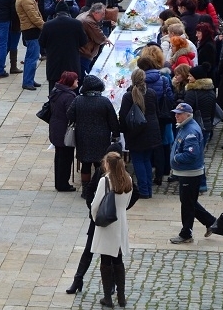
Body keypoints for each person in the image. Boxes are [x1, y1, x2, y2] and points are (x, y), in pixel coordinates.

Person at [90, 151, 133, 308]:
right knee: (118, 259)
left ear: (108, 164)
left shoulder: (105, 181)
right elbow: (127, 202)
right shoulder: (127, 179)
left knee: (105, 260)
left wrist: (96, 219)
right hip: (121, 221)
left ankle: (108, 297)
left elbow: (95, 205)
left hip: (108, 223)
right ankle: (121, 297)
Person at [168, 102, 216, 244]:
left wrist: (175, 158)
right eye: (175, 113)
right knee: (189, 202)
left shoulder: (190, 132)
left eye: (179, 113)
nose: (176, 115)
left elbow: (191, 154)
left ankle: (186, 233)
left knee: (187, 204)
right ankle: (211, 222)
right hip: (187, 173)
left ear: (187, 115)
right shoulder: (186, 127)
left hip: (190, 173)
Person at [67, 75, 119, 189]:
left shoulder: (78, 100)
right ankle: (98, 187)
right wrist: (116, 134)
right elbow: (113, 120)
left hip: (83, 136)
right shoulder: (104, 101)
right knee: (100, 164)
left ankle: (86, 189)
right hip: (101, 136)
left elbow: (70, 115)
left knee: (85, 163)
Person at [119, 68, 162, 199]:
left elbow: (123, 116)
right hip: (151, 130)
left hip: (135, 132)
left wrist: (122, 129)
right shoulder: (151, 93)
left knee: (138, 160)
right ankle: (147, 189)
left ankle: (143, 190)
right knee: (146, 160)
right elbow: (157, 111)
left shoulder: (128, 96)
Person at [39, 0, 88, 92]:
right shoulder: (76, 24)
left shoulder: (48, 25)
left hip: (54, 65)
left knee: (54, 93)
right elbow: (84, 42)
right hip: (71, 64)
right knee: (72, 91)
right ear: (68, 12)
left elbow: (42, 43)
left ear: (56, 12)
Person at [48, 71, 78, 192]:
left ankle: (59, 182)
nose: (78, 82)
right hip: (64, 130)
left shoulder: (57, 91)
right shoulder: (69, 96)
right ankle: (63, 184)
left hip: (56, 127)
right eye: (76, 80)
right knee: (66, 157)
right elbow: (71, 114)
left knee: (59, 156)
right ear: (70, 82)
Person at [15, 0, 44, 90]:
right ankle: (28, 81)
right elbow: (34, 17)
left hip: (29, 30)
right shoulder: (26, 0)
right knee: (32, 57)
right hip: (31, 30)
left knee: (30, 56)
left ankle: (30, 79)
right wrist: (44, 26)